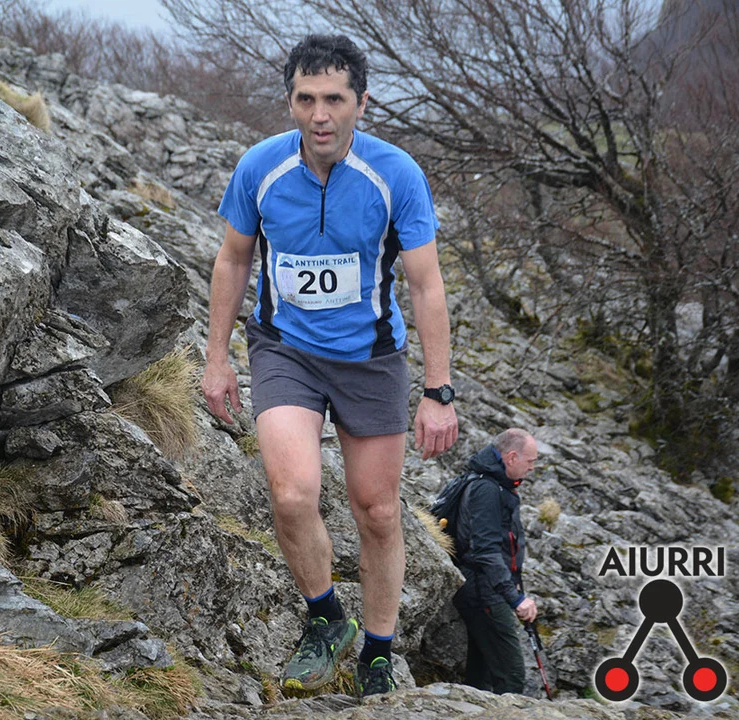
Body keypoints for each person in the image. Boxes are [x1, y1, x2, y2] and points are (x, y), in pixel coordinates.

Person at [201, 34, 459, 699]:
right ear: (289, 101)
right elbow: (233, 259)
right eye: (306, 99)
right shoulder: (260, 168)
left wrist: (438, 390)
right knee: (292, 492)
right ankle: (325, 619)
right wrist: (217, 358)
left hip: (370, 359)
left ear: (361, 104)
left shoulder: (396, 174)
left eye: (335, 100)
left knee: (377, 511)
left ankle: (377, 652)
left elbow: (426, 284)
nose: (320, 115)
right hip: (285, 349)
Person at [452, 428, 539, 695]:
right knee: (512, 677)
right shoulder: (486, 490)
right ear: (511, 457)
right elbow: (486, 552)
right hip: (483, 590)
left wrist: (514, 588)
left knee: (482, 674)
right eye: (530, 461)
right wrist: (515, 599)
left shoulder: (496, 484)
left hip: (485, 586)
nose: (532, 468)